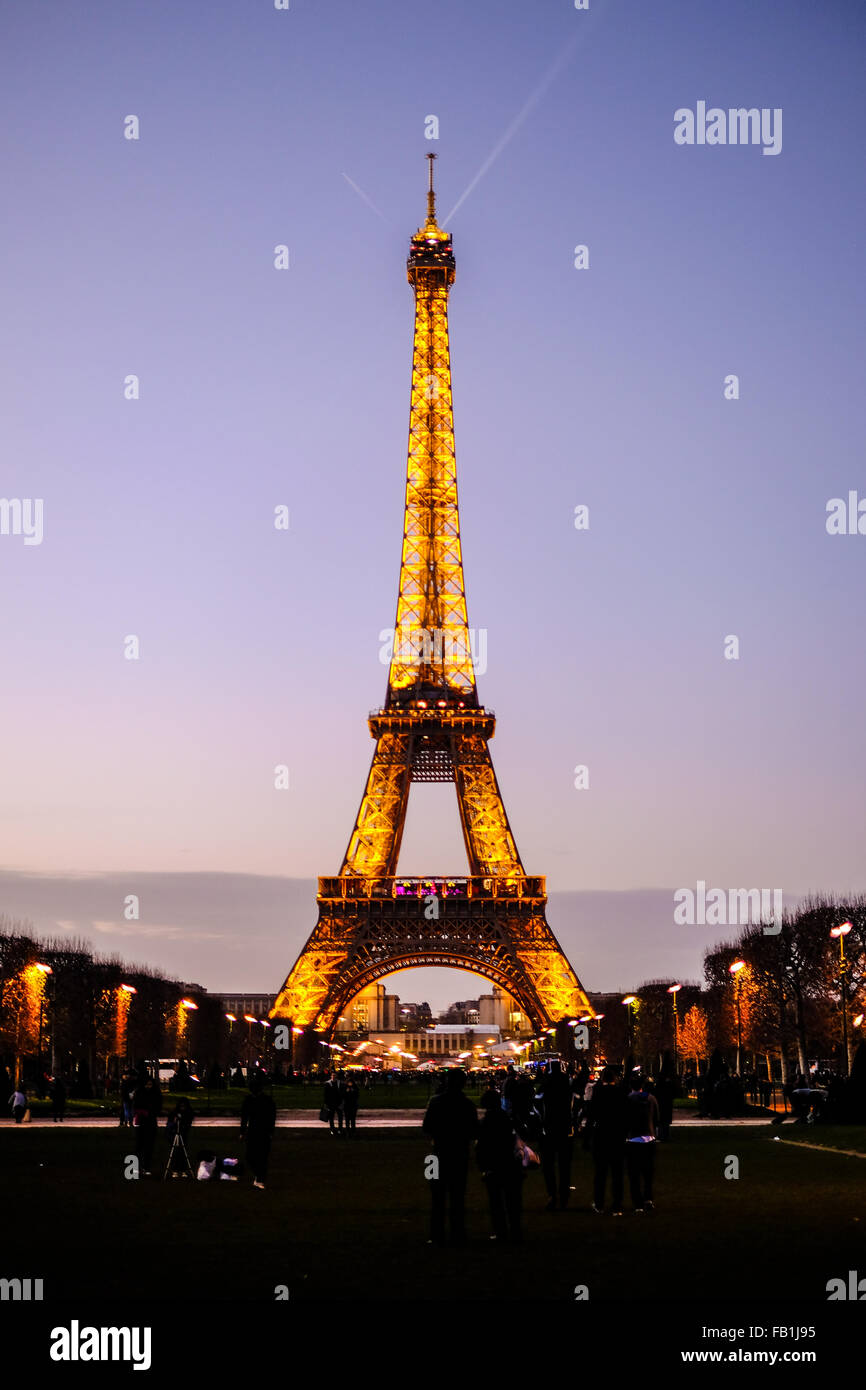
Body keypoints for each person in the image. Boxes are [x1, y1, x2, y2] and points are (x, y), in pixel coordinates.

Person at [422, 1069, 479, 1247]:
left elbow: (426, 1127)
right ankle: (457, 1233)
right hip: (459, 1154)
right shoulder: (468, 1104)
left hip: (437, 1154)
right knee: (457, 1196)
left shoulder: (435, 1101)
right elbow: (474, 1131)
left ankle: (436, 1235)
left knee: (436, 1197)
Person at [476, 1087, 524, 1242]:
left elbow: (482, 1146)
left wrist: (483, 1166)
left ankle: (501, 1231)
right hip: (510, 1164)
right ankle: (516, 1230)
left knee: (496, 1202)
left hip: (494, 1165)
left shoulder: (485, 1122)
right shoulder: (507, 1118)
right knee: (513, 1201)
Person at [586, 1066, 628, 1214]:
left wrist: (587, 1135)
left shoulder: (598, 1093)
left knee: (600, 1173)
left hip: (601, 1134)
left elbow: (591, 1115)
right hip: (617, 1135)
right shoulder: (620, 1093)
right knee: (617, 1173)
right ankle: (617, 1204)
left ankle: (599, 1203)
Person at [536, 1060, 573, 1210]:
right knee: (565, 1166)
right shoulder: (566, 1083)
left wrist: (541, 1120)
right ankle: (564, 1196)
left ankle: (552, 1195)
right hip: (565, 1128)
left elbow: (537, 1103)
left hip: (549, 1128)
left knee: (548, 1165)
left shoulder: (546, 1084)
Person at [626, 1074, 660, 1212]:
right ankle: (648, 1199)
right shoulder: (651, 1099)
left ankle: (637, 1203)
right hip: (649, 1138)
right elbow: (657, 1117)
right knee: (648, 1173)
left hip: (633, 1139)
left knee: (634, 1174)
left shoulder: (628, 1099)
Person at [240, 1076, 277, 1189]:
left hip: (261, 1131)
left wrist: (242, 1131)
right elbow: (244, 1117)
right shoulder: (252, 1100)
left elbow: (271, 1117)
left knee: (261, 1156)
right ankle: (259, 1176)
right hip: (256, 1131)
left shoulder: (263, 1100)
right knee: (252, 1156)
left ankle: (260, 1178)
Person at [132, 1075, 162, 1175]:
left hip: (151, 1122)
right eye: (147, 1084)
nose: (148, 1086)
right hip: (141, 1122)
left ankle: (146, 1167)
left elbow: (158, 1108)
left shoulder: (155, 1094)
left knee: (149, 1146)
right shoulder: (140, 1093)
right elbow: (135, 1107)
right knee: (139, 1146)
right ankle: (136, 1168)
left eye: (150, 1084)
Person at [166, 1097, 195, 1176]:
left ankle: (183, 1170)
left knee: (183, 1153)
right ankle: (175, 1170)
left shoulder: (189, 1113)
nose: (182, 1108)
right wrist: (174, 1123)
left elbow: (188, 1124)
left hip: (183, 1134)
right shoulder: (174, 1113)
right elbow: (169, 1125)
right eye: (181, 1106)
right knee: (175, 1153)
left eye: (184, 1106)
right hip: (174, 1135)